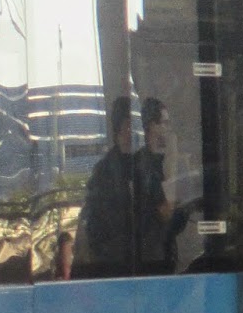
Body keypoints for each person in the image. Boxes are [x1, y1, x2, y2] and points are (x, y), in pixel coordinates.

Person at [78, 96, 136, 276]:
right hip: (114, 266)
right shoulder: (105, 171)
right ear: (121, 127)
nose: (135, 131)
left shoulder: (140, 163)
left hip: (137, 264)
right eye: (131, 124)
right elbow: (97, 222)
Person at [134, 97, 192, 273]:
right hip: (150, 259)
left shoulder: (163, 161)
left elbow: (181, 215)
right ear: (151, 126)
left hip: (168, 255)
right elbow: (165, 213)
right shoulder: (141, 165)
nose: (168, 130)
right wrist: (172, 164)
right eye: (164, 124)